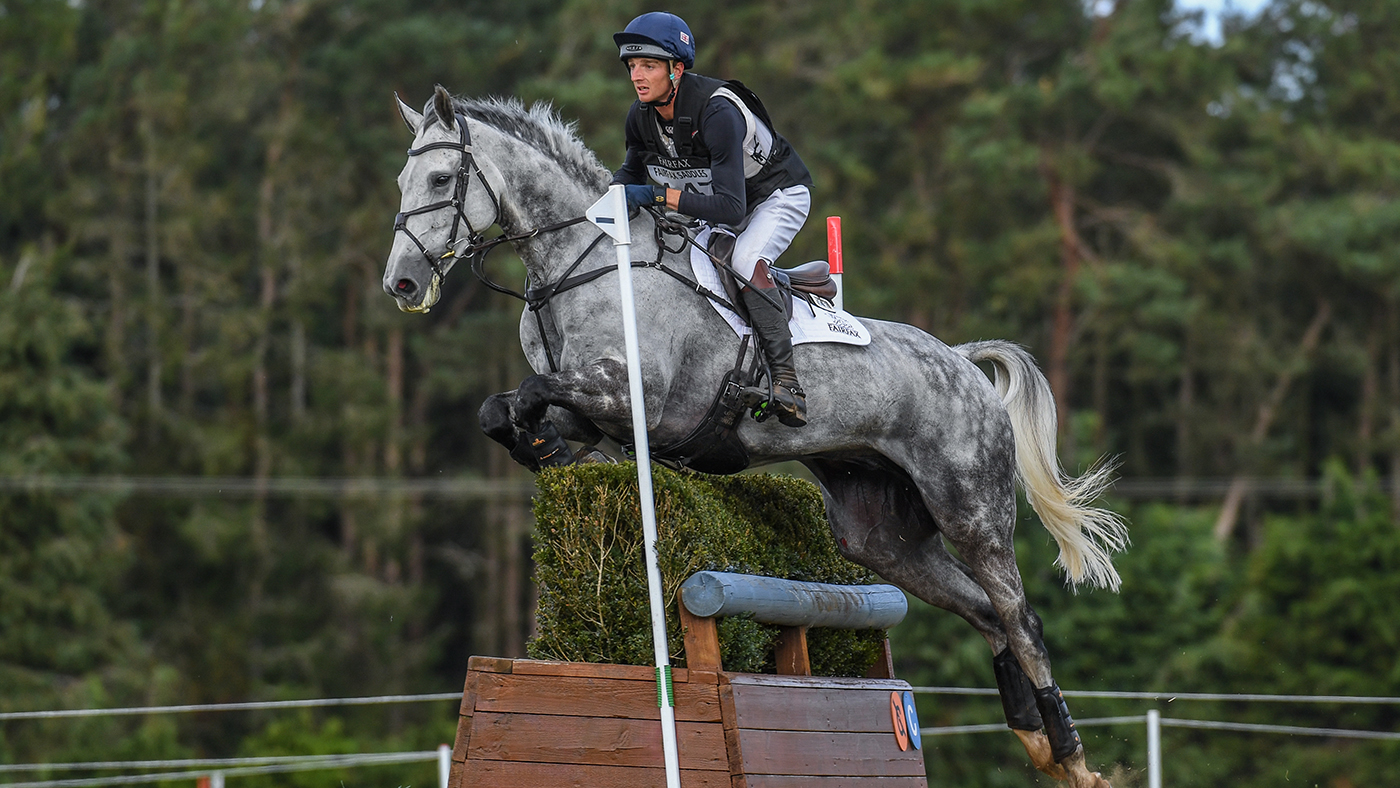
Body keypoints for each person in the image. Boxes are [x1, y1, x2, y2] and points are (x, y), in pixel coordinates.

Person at [610, 11, 814, 428]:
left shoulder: (717, 113)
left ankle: (787, 383)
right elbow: (627, 176)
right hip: (718, 202)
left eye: (648, 65)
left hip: (774, 198)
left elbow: (732, 210)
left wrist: (655, 195)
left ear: (677, 69)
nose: (637, 76)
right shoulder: (641, 116)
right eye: (632, 66)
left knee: (742, 261)